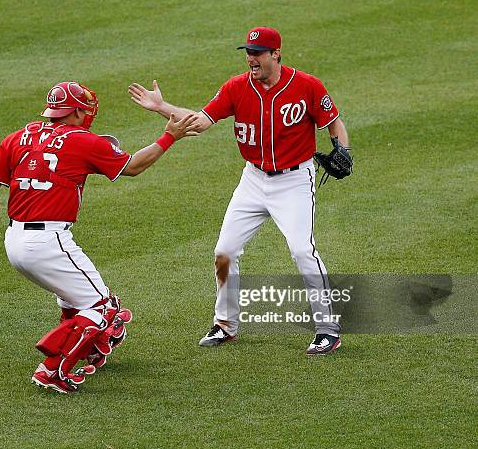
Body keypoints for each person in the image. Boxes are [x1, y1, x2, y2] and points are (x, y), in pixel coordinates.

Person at [0, 81, 198, 394]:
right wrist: (170, 136)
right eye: (85, 108)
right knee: (103, 308)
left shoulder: (19, 137)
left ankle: (88, 347)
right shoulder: (83, 141)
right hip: (48, 242)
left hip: (14, 241)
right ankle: (52, 370)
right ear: (77, 111)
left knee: (76, 297)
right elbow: (133, 167)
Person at [129, 26, 350, 355]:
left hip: (293, 181)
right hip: (253, 179)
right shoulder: (236, 87)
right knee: (224, 252)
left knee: (303, 251)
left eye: (258, 52)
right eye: (248, 51)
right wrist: (162, 107)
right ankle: (225, 325)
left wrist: (341, 149)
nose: (251, 58)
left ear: (276, 54)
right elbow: (200, 121)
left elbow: (332, 120)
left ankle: (328, 328)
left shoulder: (307, 86)